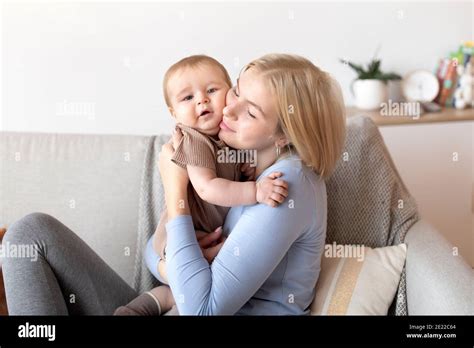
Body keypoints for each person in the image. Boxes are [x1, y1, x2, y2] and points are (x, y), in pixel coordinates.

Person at [2, 53, 345, 315]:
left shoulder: (286, 187)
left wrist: (174, 186)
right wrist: (171, 264)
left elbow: (201, 309)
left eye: (251, 112)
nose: (228, 109)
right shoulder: (244, 163)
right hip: (174, 299)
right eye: (236, 91)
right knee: (30, 233)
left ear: (284, 135)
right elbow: (154, 253)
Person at [114, 55, 288, 316]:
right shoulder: (193, 140)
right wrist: (256, 191)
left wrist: (247, 166)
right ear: (174, 114)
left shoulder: (224, 136)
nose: (202, 100)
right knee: (187, 282)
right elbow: (207, 188)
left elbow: (234, 163)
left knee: (180, 294)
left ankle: (137, 308)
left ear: (229, 93)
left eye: (211, 90)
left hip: (205, 232)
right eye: (187, 98)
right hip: (178, 236)